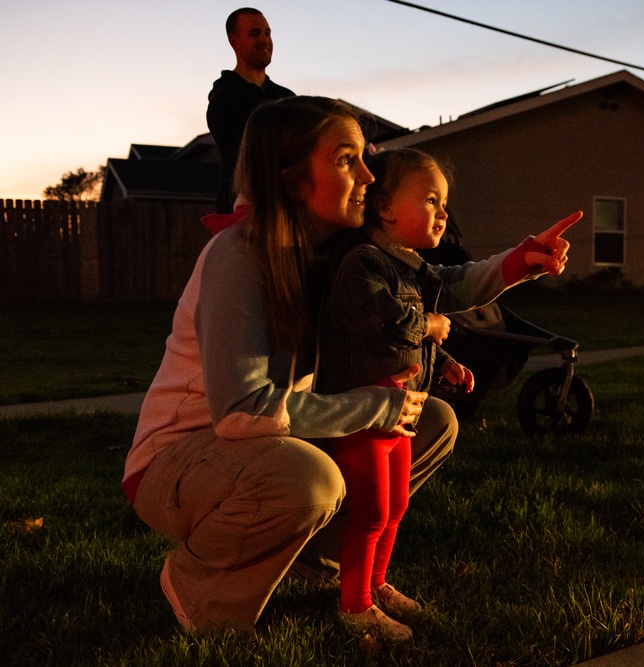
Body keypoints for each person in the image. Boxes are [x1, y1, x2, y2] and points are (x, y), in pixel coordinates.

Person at [121, 94, 582, 637]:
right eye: (346, 159)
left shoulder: (340, 253)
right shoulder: (240, 257)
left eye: (365, 156)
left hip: (267, 439)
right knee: (310, 477)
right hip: (181, 458)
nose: (369, 174)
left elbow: (439, 285)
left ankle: (317, 559)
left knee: (431, 421)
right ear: (292, 178)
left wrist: (516, 263)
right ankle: (201, 588)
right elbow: (242, 413)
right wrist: (375, 406)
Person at [317, 148, 475, 640]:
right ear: (385, 208)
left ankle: (377, 584)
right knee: (370, 510)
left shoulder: (411, 270)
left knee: (396, 506)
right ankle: (355, 605)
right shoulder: (363, 263)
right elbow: (381, 323)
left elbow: (407, 347)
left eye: (444, 203)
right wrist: (427, 325)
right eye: (430, 200)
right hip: (364, 409)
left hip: (400, 409)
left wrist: (444, 363)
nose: (443, 212)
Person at [207, 7, 294, 213]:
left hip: (285, 208)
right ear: (234, 41)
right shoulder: (225, 99)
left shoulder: (287, 98)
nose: (265, 40)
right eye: (255, 34)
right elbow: (244, 161)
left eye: (267, 33)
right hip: (243, 214)